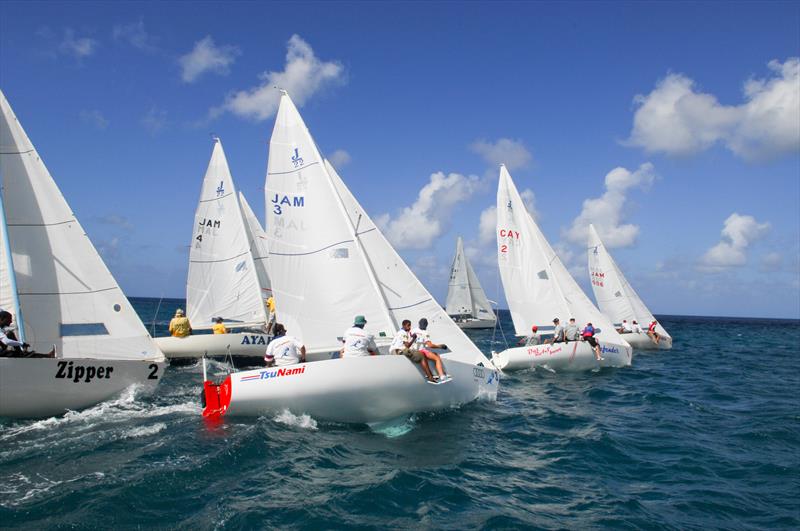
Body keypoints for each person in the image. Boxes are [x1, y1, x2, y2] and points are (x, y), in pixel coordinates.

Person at [413, 318, 450, 383]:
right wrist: (440, 346)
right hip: (422, 351)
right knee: (437, 359)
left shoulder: (414, 330)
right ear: (426, 325)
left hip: (414, 350)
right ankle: (442, 376)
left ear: (419, 323)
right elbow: (430, 345)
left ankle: (442, 372)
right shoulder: (425, 332)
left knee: (436, 354)